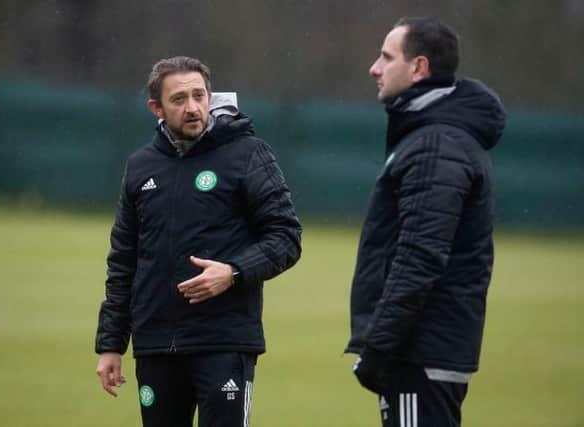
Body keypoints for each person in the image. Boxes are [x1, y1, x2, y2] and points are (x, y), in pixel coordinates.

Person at [95, 56, 302, 427]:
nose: (192, 107)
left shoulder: (248, 154)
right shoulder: (141, 166)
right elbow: (124, 259)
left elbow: (286, 238)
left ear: (210, 96)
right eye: (178, 99)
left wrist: (233, 272)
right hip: (155, 344)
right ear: (155, 108)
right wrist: (111, 343)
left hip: (223, 342)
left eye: (198, 95)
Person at [347, 17, 506, 426]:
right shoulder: (430, 135)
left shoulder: (436, 143)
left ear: (419, 68)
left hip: (420, 352)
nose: (374, 68)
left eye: (386, 57)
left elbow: (420, 255)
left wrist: (379, 347)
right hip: (423, 350)